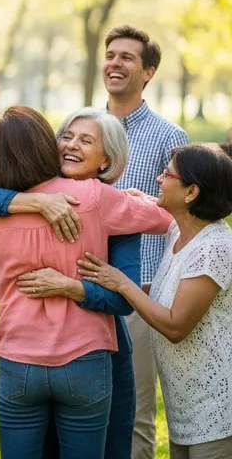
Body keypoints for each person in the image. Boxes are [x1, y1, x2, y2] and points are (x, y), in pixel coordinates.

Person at [0, 105, 173, 459]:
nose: (72, 145)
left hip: (36, 354)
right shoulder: (91, 200)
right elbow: (168, 217)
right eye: (67, 136)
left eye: (86, 140)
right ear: (49, 144)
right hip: (82, 354)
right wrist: (37, 201)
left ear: (106, 159)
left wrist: (70, 286)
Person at [78, 144, 232, 459]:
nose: (159, 179)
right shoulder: (179, 229)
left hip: (217, 409)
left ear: (191, 192)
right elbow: (167, 289)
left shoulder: (214, 246)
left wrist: (120, 282)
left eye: (168, 173)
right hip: (186, 406)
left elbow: (176, 325)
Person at [103, 25, 189, 459]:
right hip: (84, 287)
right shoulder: (83, 128)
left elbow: (183, 215)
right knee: (89, 407)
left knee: (134, 411)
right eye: (111, 55)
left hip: (143, 289)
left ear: (148, 71)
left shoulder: (169, 137)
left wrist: (137, 204)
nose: (115, 63)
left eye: (127, 58)